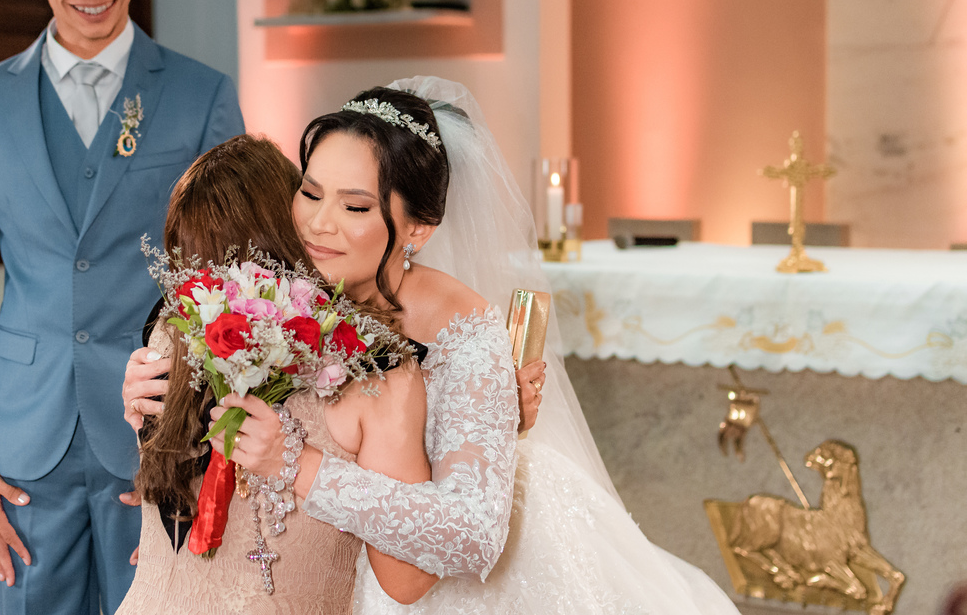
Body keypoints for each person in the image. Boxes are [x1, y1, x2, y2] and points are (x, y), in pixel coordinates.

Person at [127, 79, 741, 613]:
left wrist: (300, 463)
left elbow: (470, 533)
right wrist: (148, 396)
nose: (318, 223)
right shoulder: (281, 289)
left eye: (355, 205)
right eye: (311, 192)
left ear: (418, 229)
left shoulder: (464, 331)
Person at [0, 0, 244, 615]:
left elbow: (236, 277)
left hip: (163, 434)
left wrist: (206, 446)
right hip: (25, 444)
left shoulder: (201, 95)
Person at [117, 134, 434, 614]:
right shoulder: (379, 372)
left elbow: (405, 580)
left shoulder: (170, 330)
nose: (200, 294)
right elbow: (407, 579)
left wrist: (299, 463)